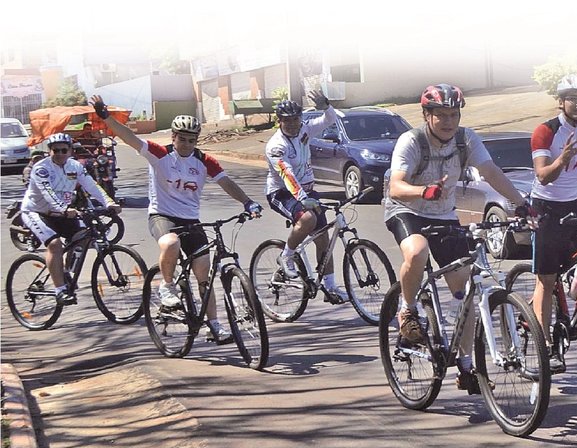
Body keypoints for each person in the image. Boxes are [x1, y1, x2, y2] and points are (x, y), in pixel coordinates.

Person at [383, 83, 533, 394]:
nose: (449, 121)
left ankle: (466, 368)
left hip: (444, 215)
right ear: (427, 115)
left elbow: (491, 171)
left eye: (454, 114)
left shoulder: (466, 139)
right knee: (418, 250)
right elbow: (395, 187)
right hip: (406, 209)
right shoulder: (411, 141)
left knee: (467, 292)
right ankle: (408, 308)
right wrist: (424, 190)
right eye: (441, 115)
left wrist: (520, 203)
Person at [89, 94, 263, 344]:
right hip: (162, 215)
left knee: (204, 274)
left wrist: (247, 202)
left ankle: (214, 325)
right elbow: (129, 137)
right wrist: (106, 117)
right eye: (182, 139)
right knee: (170, 243)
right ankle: (167, 286)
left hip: (191, 220)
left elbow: (226, 182)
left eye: (192, 140)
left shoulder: (204, 161)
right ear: (173, 137)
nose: (186, 144)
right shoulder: (160, 154)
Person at [529, 74, 577, 372]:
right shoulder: (545, 132)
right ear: (561, 102)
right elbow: (543, 175)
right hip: (546, 205)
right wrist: (563, 159)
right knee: (545, 279)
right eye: (574, 98)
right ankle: (545, 346)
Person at [264, 90, 348, 304]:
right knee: (308, 219)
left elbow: (330, 119)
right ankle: (287, 255)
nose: (292, 124)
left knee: (323, 239)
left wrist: (325, 106)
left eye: (295, 119)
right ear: (279, 121)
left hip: (307, 190)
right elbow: (287, 175)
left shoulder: (304, 130)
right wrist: (302, 198)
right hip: (281, 192)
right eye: (287, 121)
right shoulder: (276, 146)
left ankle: (330, 287)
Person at [20, 133, 121, 306]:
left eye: (63, 150)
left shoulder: (75, 166)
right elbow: (48, 193)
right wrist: (64, 209)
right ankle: (60, 290)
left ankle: (65, 272)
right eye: (55, 150)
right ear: (49, 151)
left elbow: (91, 185)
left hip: (63, 213)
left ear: (70, 151)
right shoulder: (41, 169)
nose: (59, 153)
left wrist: (109, 202)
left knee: (85, 236)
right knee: (54, 245)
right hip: (37, 212)